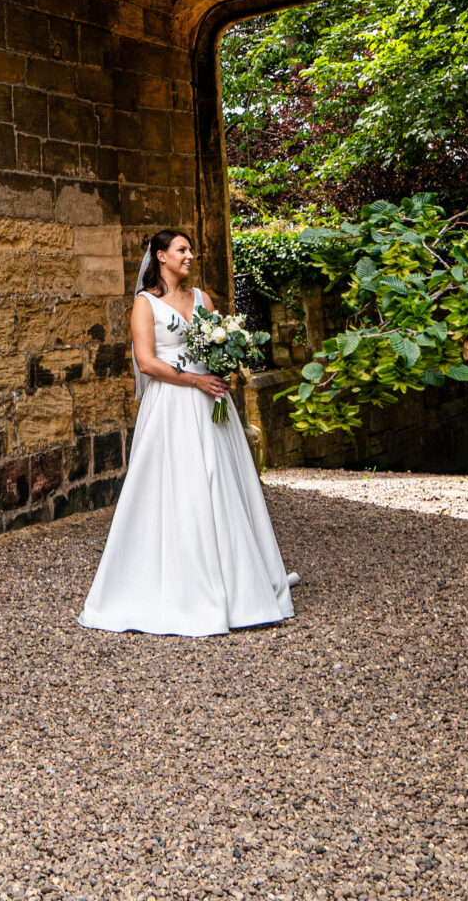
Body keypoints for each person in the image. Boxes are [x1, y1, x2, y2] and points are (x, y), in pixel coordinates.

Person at [80, 226, 295, 637]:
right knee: (179, 486)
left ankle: (239, 586)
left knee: (222, 483)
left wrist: (222, 369)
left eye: (191, 250)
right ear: (161, 256)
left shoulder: (202, 300)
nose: (190, 256)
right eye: (182, 250)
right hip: (173, 405)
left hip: (211, 403)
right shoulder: (145, 305)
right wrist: (194, 380)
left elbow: (219, 346)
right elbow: (146, 362)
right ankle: (180, 586)